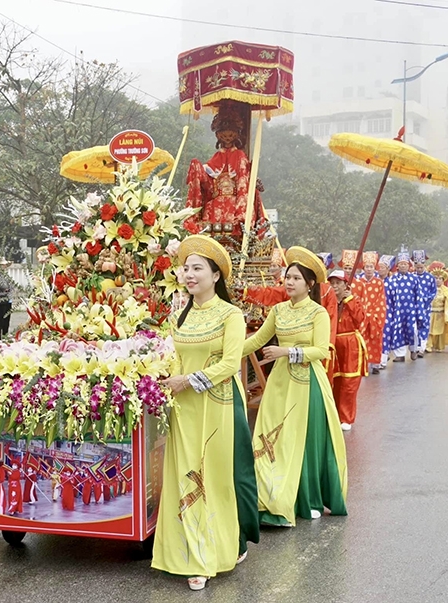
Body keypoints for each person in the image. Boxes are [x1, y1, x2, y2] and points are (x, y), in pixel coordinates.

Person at [152, 235, 259, 592]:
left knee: (211, 479)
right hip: (184, 408)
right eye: (185, 268)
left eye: (197, 268)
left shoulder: (231, 315)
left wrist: (190, 380)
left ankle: (209, 554)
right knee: (183, 475)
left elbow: (230, 363)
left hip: (218, 407)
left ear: (216, 275)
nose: (189, 274)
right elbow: (176, 358)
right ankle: (183, 553)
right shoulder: (180, 316)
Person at [242, 246, 348, 529]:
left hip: (307, 382)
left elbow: (321, 351)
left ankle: (309, 499)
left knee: (304, 440)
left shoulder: (318, 314)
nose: (289, 282)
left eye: (296, 278)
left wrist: (287, 353)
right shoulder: (278, 311)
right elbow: (256, 341)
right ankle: (270, 498)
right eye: (287, 277)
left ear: (310, 284)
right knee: (274, 438)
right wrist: (226, 352)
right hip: (280, 384)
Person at [183, 100, 263, 240]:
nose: (227, 138)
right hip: (215, 204)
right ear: (218, 135)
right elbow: (207, 183)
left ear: (236, 135)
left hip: (235, 204)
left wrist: (242, 212)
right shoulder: (215, 158)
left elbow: (243, 183)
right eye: (223, 135)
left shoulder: (240, 156)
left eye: (230, 135)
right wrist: (196, 169)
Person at [328, 269, 367, 431]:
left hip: (350, 344)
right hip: (333, 344)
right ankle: (334, 414)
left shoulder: (354, 300)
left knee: (349, 383)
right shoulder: (328, 301)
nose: (335, 286)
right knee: (334, 380)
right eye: (332, 283)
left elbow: (360, 319)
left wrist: (349, 299)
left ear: (346, 285)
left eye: (338, 283)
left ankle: (346, 417)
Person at [355, 252, 386, 374]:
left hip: (375, 315)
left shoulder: (379, 283)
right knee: (362, 340)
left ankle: (375, 364)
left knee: (375, 339)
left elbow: (381, 301)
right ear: (363, 268)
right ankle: (363, 363)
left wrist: (373, 315)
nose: (369, 269)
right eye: (366, 267)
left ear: (375, 268)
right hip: (362, 315)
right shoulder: (358, 282)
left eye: (371, 267)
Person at [388, 250, 421, 362]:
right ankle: (400, 354)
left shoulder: (414, 278)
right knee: (398, 330)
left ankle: (413, 349)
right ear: (397, 266)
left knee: (412, 330)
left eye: (405, 264)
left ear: (408, 266)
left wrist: (419, 310)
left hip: (411, 310)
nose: (403, 266)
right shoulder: (392, 279)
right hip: (397, 310)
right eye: (401, 264)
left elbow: (418, 296)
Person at [426, 270, 448, 352]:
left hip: (441, 313)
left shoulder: (446, 291)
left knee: (440, 330)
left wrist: (447, 314)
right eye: (436, 278)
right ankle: (428, 345)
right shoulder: (428, 289)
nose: (438, 280)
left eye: (440, 278)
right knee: (429, 330)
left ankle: (439, 346)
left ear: (443, 280)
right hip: (430, 312)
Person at [412, 250, 437, 357]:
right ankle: (415, 347)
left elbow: (433, 291)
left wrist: (425, 300)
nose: (419, 269)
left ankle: (422, 348)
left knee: (424, 326)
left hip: (425, 306)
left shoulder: (430, 278)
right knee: (414, 326)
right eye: (417, 268)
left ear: (425, 266)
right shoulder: (412, 277)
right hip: (413, 307)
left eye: (421, 267)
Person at [377, 255, 396, 369]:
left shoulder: (392, 284)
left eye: (382, 267)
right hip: (375, 312)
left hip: (388, 312)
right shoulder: (374, 282)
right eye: (378, 267)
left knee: (385, 335)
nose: (380, 269)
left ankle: (383, 360)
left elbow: (395, 301)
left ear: (388, 269)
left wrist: (394, 316)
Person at [0, 256, 14, 338]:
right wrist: (7, 289)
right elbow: (3, 286)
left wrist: (8, 289)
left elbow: (11, 286)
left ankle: (5, 335)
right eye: (2, 265)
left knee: (7, 319)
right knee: (0, 319)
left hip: (8, 299)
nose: (4, 266)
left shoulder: (5, 274)